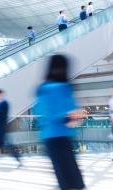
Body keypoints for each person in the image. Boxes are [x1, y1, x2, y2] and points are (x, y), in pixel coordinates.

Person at [34, 55, 85, 190]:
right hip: (62, 137)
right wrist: (72, 115)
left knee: (65, 178)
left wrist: (70, 116)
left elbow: (42, 111)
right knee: (73, 179)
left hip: (50, 136)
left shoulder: (42, 89)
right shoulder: (63, 87)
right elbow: (68, 112)